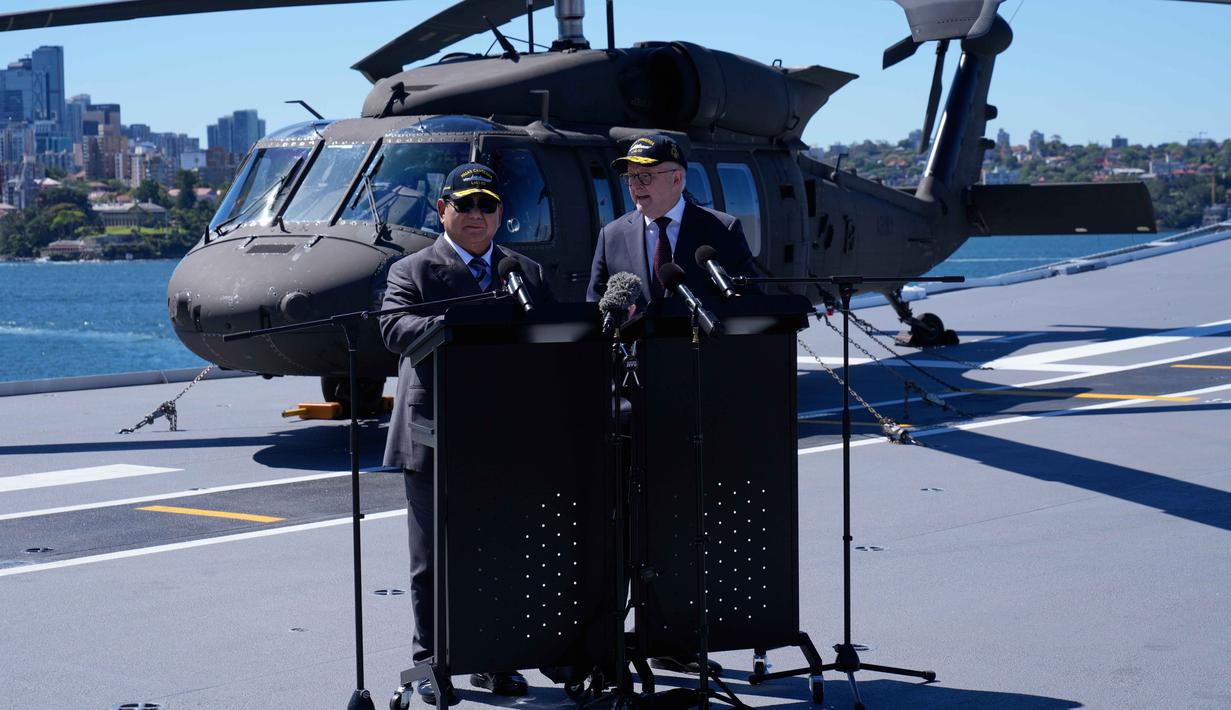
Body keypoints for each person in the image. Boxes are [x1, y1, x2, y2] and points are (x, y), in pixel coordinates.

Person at [380, 162, 553, 705]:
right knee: (434, 560)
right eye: (465, 205)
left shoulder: (524, 270)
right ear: (443, 211)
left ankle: (495, 658)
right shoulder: (413, 270)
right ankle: (431, 662)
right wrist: (458, 323)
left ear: (501, 213)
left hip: (504, 434)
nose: (477, 215)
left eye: (487, 205)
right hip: (435, 431)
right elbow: (394, 329)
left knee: (502, 551)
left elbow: (545, 342)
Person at [586, 133, 758, 309]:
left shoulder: (722, 229)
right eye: (631, 176)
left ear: (676, 179)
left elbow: (751, 303)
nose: (636, 186)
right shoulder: (612, 237)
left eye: (645, 176)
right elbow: (595, 308)